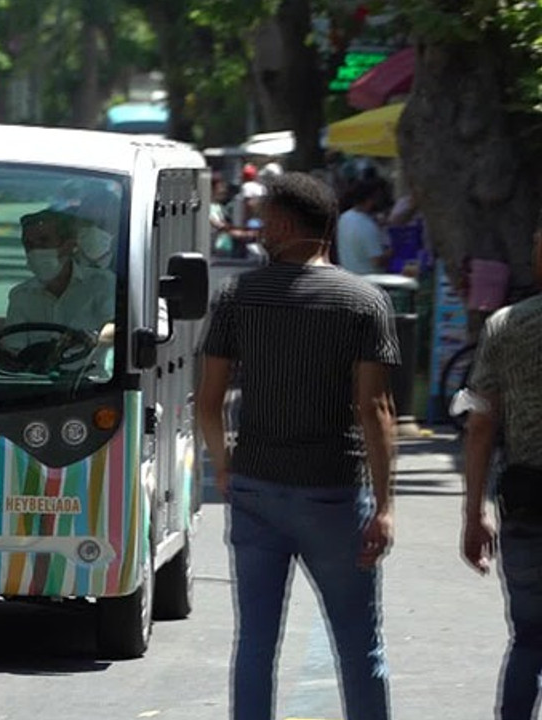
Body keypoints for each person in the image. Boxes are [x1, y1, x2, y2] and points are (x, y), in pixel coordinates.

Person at [195, 172, 399, 720]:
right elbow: (375, 409)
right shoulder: (364, 302)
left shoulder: (239, 296)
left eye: (264, 219)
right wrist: (384, 505)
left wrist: (223, 464)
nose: (259, 229)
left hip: (256, 490)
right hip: (333, 491)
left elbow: (207, 401)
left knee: (256, 644)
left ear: (286, 224)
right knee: (359, 644)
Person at [460, 228, 542, 720]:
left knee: (530, 639)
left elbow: (480, 426)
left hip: (529, 504)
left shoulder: (507, 326)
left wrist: (475, 512)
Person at [3, 209, 115, 368]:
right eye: (29, 245)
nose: (35, 251)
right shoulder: (20, 295)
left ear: (69, 245)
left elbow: (117, 327)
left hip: (92, 383)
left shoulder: (101, 283)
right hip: (37, 384)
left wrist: (94, 338)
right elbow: (13, 350)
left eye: (44, 241)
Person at [336, 180, 391, 275]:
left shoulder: (344, 218)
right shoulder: (367, 226)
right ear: (370, 200)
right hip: (370, 279)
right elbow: (377, 261)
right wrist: (393, 251)